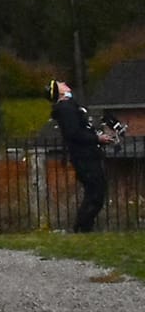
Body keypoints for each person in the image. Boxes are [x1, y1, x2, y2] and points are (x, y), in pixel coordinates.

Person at [49, 78, 118, 232]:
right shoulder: (66, 108)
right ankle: (82, 227)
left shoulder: (71, 107)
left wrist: (98, 137)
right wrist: (96, 138)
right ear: (58, 92)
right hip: (84, 157)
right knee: (95, 193)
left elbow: (82, 129)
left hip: (87, 154)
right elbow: (74, 133)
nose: (64, 83)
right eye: (60, 84)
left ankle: (84, 227)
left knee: (95, 192)